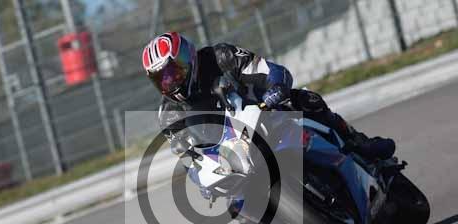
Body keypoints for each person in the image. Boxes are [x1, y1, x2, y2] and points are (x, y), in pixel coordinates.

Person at [142, 32, 395, 206]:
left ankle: (359, 142)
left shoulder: (220, 57)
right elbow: (189, 159)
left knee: (306, 99)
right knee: (238, 209)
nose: (170, 81)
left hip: (263, 110)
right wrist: (204, 182)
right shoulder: (168, 115)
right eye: (161, 78)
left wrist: (276, 87)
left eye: (173, 71)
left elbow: (269, 70)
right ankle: (296, 216)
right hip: (232, 153)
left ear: (188, 56)